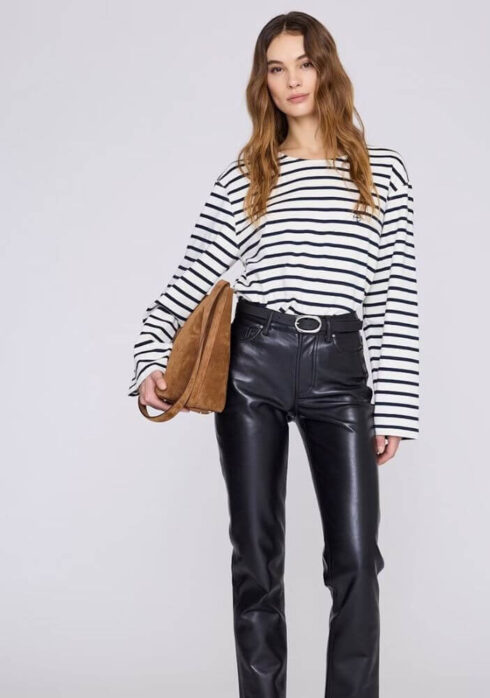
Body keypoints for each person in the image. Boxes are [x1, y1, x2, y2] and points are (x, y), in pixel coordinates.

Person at [128, 11, 420, 698]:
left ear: (327, 69)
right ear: (264, 82)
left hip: (339, 369)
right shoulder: (248, 174)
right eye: (277, 68)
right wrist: (149, 359)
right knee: (256, 560)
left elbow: (393, 296)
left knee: (356, 560)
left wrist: (394, 407)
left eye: (304, 63)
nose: (293, 80)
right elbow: (192, 277)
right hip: (253, 362)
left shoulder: (382, 172)